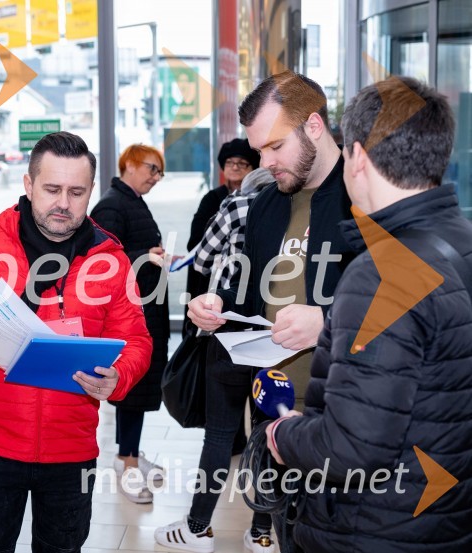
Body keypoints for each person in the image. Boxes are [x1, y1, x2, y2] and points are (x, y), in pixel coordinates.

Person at [0, 131, 152, 553]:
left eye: (77, 192)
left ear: (91, 191)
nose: (64, 203)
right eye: (52, 189)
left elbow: (137, 340)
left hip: (71, 450)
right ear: (28, 184)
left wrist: (119, 377)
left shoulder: (110, 260)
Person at [266, 78, 472, 552]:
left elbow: (352, 451)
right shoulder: (461, 243)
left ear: (357, 156)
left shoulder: (381, 275)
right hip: (443, 521)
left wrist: (284, 434)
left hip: (372, 529)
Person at [156, 71, 353, 553]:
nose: (263, 163)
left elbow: (408, 303)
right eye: (257, 149)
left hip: (346, 416)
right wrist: (216, 303)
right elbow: (247, 288)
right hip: (275, 409)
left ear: (313, 126)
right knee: (288, 535)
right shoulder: (267, 204)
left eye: (273, 147)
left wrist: (326, 321)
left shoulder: (363, 197)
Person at [90, 144, 170, 504]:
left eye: (160, 172)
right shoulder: (111, 204)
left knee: (137, 389)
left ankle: (128, 454)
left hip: (145, 307)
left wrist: (151, 257)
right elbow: (100, 262)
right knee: (132, 389)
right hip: (129, 314)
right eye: (152, 169)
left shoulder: (131, 200)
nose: (156, 177)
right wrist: (145, 257)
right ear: (130, 164)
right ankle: (129, 465)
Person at [184, 138, 260, 305]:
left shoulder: (262, 200)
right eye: (229, 162)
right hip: (210, 275)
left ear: (253, 168)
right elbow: (195, 239)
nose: (234, 167)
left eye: (242, 163)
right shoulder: (212, 198)